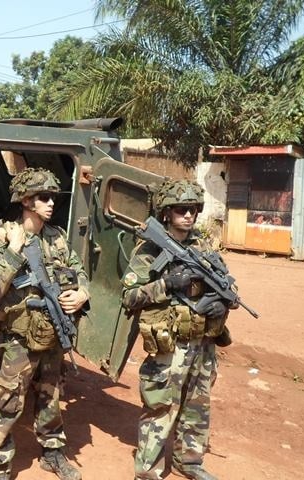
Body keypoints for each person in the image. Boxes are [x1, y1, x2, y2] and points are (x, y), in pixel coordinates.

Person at [121, 179, 235, 480]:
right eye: (182, 209)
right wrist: (167, 284)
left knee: (197, 406)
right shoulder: (149, 249)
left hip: (203, 341)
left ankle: (190, 461)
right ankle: (148, 471)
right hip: (169, 346)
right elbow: (129, 297)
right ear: (167, 213)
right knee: (160, 407)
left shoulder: (202, 245)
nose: (189, 216)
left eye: (194, 210)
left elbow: (227, 282)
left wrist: (221, 304)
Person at [0, 168, 89, 480]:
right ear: (26, 201)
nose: (51, 203)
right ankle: (0, 467)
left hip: (52, 334)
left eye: (53, 197)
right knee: (7, 402)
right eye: (44, 197)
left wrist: (82, 292)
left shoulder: (57, 238)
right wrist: (14, 251)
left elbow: (78, 270)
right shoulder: (0, 238)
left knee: (51, 397)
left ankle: (53, 454)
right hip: (18, 338)